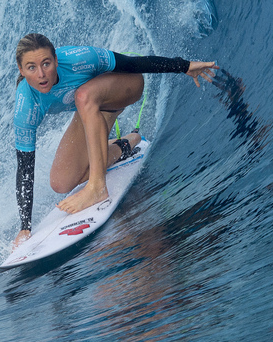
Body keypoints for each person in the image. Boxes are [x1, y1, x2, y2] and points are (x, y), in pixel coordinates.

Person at [11, 33, 218, 249]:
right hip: (91, 111)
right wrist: (25, 227)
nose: (42, 74)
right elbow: (25, 167)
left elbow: (132, 63)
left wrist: (183, 66)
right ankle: (124, 146)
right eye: (32, 67)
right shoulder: (25, 107)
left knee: (83, 96)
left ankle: (97, 187)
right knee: (61, 182)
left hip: (124, 87)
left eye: (46, 63)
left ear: (56, 59)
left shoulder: (78, 58)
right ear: (21, 70)